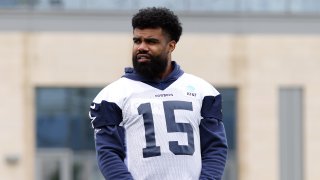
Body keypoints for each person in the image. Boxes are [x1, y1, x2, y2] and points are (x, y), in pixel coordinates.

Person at [89, 7, 228, 180]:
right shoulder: (111, 96)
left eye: (151, 41)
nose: (141, 47)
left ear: (171, 45)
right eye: (137, 40)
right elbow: (109, 154)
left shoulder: (203, 91)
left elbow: (214, 149)